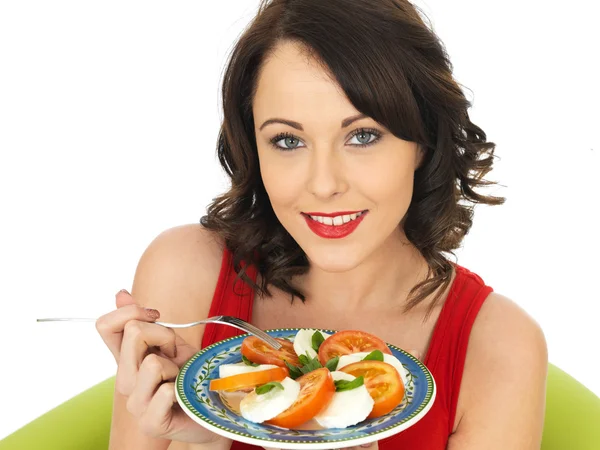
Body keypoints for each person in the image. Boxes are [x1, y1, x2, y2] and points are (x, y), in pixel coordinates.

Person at [96, 0, 548, 448]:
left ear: (423, 142)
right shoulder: (185, 274)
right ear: (253, 147)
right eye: (288, 140)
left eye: (363, 135)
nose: (324, 184)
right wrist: (207, 438)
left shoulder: (499, 347)